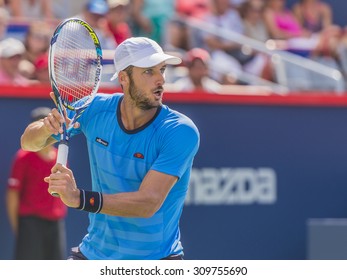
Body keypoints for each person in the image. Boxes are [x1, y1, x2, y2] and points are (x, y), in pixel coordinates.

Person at [20, 36, 200, 260]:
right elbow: (28, 142)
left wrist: (79, 198)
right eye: (148, 71)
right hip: (94, 254)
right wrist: (47, 127)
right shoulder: (94, 109)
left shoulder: (179, 131)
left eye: (161, 69)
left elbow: (147, 203)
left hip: (157, 261)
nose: (160, 80)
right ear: (124, 78)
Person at [6, 107, 67, 260]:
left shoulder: (60, 157)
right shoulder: (23, 157)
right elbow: (13, 195)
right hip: (30, 224)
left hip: (55, 224)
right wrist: (20, 228)